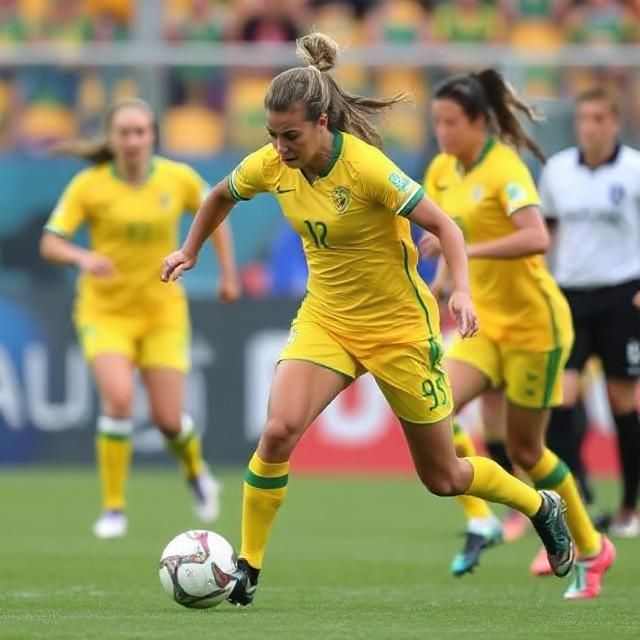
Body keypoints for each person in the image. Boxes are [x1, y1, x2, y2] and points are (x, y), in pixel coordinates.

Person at [162, 33, 575, 607]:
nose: (279, 148)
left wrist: (462, 294)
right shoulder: (271, 165)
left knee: (445, 478)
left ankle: (539, 505)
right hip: (327, 320)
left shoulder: (368, 170)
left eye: (291, 136)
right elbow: (218, 196)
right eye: (272, 136)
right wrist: (190, 250)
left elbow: (447, 228)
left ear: (324, 122)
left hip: (400, 330)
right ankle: (249, 565)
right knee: (278, 431)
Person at [419, 70, 615, 599]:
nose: (442, 131)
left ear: (480, 122)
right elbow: (443, 242)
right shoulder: (440, 171)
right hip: (484, 324)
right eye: (436, 121)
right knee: (430, 407)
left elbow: (535, 237)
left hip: (534, 327)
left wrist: (465, 248)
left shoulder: (506, 169)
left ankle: (594, 550)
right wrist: (437, 287)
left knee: (529, 452)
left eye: (452, 122)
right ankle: (481, 517)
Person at [40, 97, 241, 539]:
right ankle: (113, 508)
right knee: (119, 401)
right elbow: (51, 242)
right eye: (124, 133)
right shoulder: (89, 185)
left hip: (162, 312)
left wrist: (229, 275)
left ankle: (196, 473)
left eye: (140, 132)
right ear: (111, 139)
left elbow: (218, 214)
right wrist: (82, 257)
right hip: (105, 311)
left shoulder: (178, 178)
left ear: (153, 136)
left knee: (170, 420)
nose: (132, 141)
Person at [540, 87, 640, 539]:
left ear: (614, 123)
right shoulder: (559, 170)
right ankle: (577, 495)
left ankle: (627, 509)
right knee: (561, 399)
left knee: (622, 405)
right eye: (583, 118)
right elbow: (548, 230)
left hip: (623, 296)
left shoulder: (635, 169)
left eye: (599, 118)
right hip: (570, 298)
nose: (590, 126)